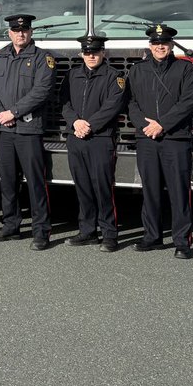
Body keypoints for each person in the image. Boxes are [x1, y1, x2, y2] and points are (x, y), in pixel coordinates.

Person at [128, 23, 193, 259]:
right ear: (150, 46)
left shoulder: (185, 70)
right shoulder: (137, 70)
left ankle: (182, 242)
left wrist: (163, 124)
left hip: (176, 138)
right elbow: (130, 103)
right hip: (147, 138)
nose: (160, 46)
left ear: (171, 46)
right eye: (156, 43)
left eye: (165, 43)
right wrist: (144, 125)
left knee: (179, 191)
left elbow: (190, 101)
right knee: (150, 190)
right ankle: (152, 237)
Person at [0, 12, 56, 250]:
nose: (20, 33)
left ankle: (41, 231)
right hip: (4, 131)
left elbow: (42, 91)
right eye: (16, 30)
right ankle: (11, 226)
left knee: (36, 182)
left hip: (29, 129)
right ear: (9, 32)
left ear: (31, 32)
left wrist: (12, 112)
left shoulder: (42, 58)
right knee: (7, 181)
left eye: (24, 30)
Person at [60, 34, 126, 252]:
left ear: (103, 53)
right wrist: (75, 122)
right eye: (87, 52)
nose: (91, 56)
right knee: (83, 186)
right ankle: (88, 231)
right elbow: (64, 102)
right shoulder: (71, 75)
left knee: (102, 187)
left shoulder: (114, 77)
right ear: (81, 54)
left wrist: (89, 125)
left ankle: (109, 234)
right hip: (75, 137)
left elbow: (112, 106)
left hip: (100, 138)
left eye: (95, 52)